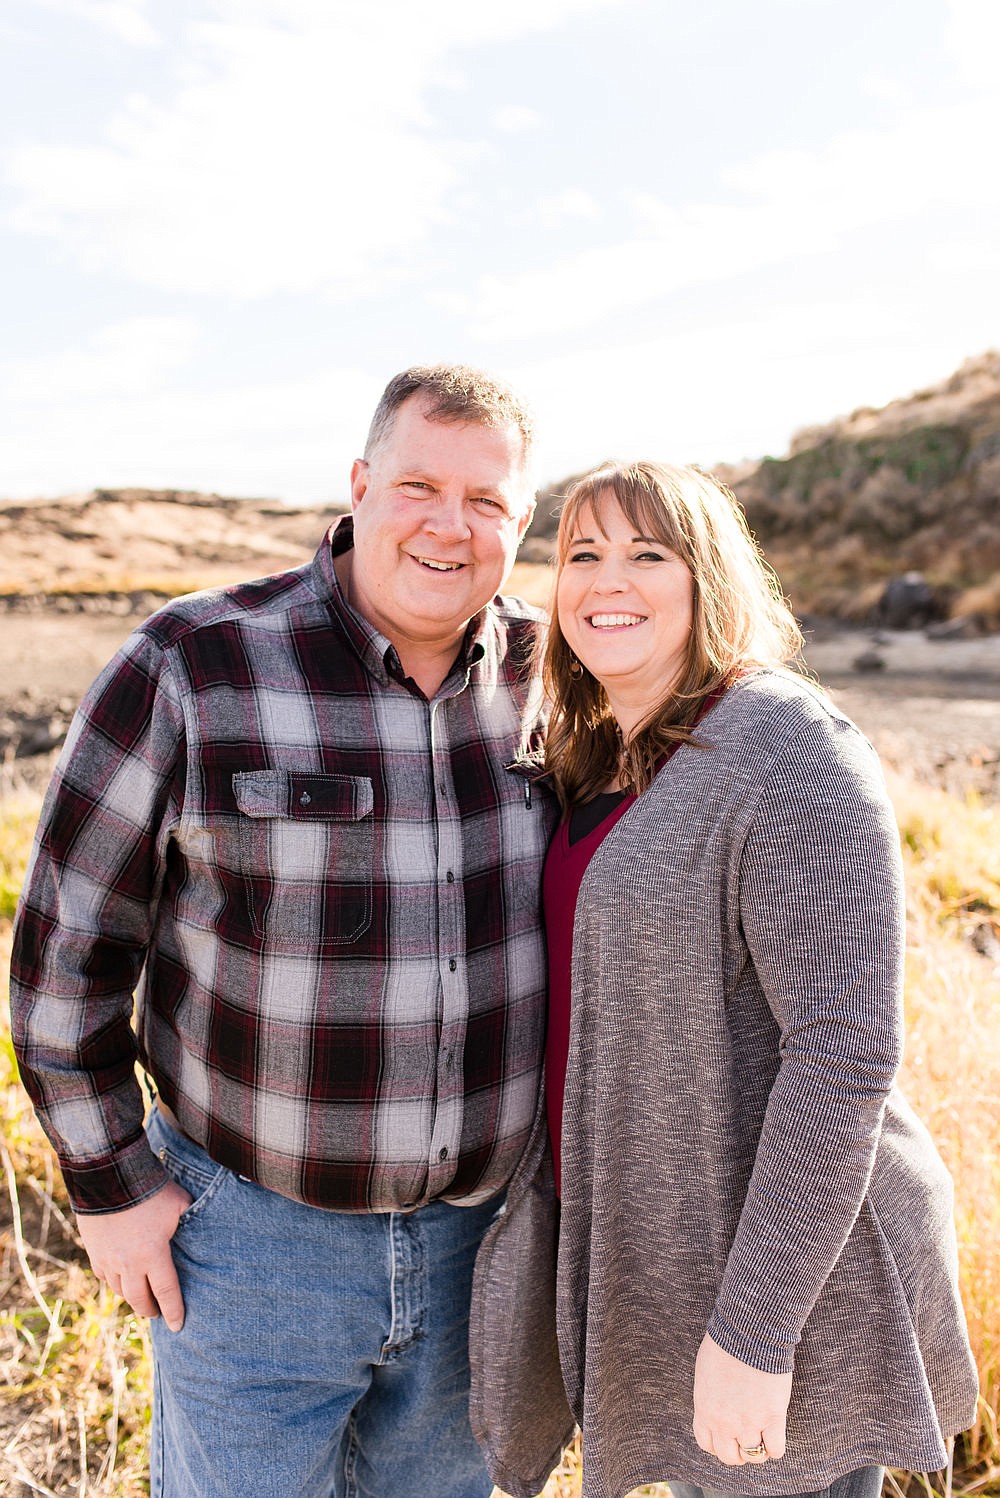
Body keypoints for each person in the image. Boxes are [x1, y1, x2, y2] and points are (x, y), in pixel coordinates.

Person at [10, 364, 558, 1498]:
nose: (450, 527)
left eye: (489, 501)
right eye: (418, 485)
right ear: (359, 485)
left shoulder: (559, 682)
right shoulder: (194, 663)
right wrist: (110, 1183)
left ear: (522, 520)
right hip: (252, 1250)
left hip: (482, 1252)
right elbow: (66, 954)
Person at [469, 461, 978, 1498]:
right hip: (669, 1241)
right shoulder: (598, 748)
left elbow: (843, 1058)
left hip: (790, 1277)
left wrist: (754, 1332)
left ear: (707, 577)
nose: (609, 581)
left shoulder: (786, 745)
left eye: (647, 555)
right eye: (583, 555)